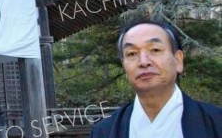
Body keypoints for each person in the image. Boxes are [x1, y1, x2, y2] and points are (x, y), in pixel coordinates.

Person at [90, 19, 222, 138]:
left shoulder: (216, 122)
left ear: (178, 60)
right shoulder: (104, 132)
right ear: (124, 66)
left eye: (155, 50)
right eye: (132, 53)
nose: (143, 61)